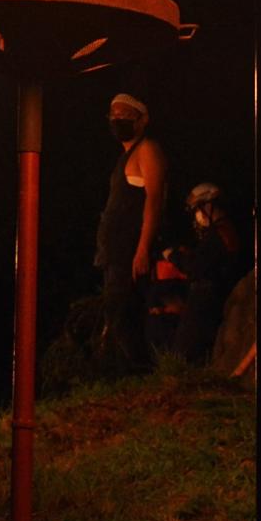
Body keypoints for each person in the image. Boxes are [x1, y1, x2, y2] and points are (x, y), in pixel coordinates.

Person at [93, 92, 165, 372]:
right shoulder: (125, 158)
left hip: (130, 251)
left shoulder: (147, 149)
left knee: (125, 316)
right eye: (113, 116)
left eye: (125, 116)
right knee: (118, 314)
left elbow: (154, 199)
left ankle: (143, 374)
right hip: (115, 252)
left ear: (142, 120)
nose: (117, 120)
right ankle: (129, 376)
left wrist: (143, 248)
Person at [172, 182, 246, 364]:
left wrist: (174, 257)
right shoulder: (225, 231)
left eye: (197, 210)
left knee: (185, 351)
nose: (197, 216)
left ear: (208, 205)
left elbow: (196, 266)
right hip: (213, 296)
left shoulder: (220, 234)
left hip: (207, 298)